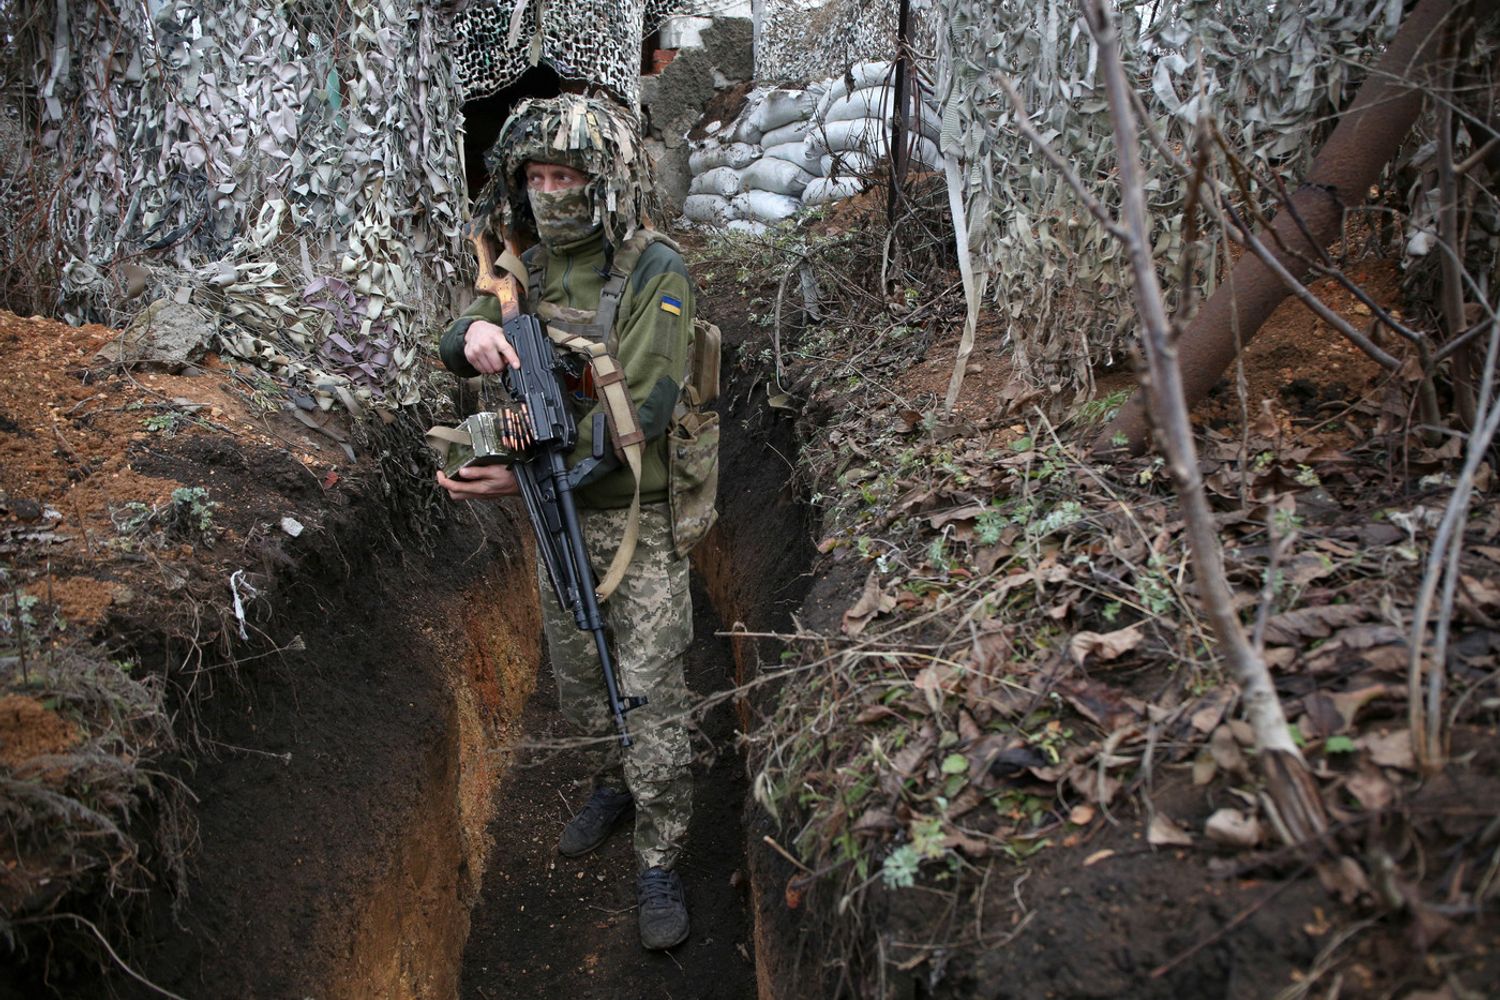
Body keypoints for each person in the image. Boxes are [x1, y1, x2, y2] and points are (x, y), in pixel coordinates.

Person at [433, 93, 699, 952]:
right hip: (555, 511)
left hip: (634, 521)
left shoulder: (657, 270)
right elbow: (463, 326)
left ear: (607, 181)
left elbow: (649, 406)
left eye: (568, 175)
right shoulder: (528, 269)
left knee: (652, 691)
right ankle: (613, 780)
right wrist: (470, 342)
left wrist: (523, 474)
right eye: (536, 177)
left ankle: (661, 854)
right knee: (582, 676)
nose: (550, 192)